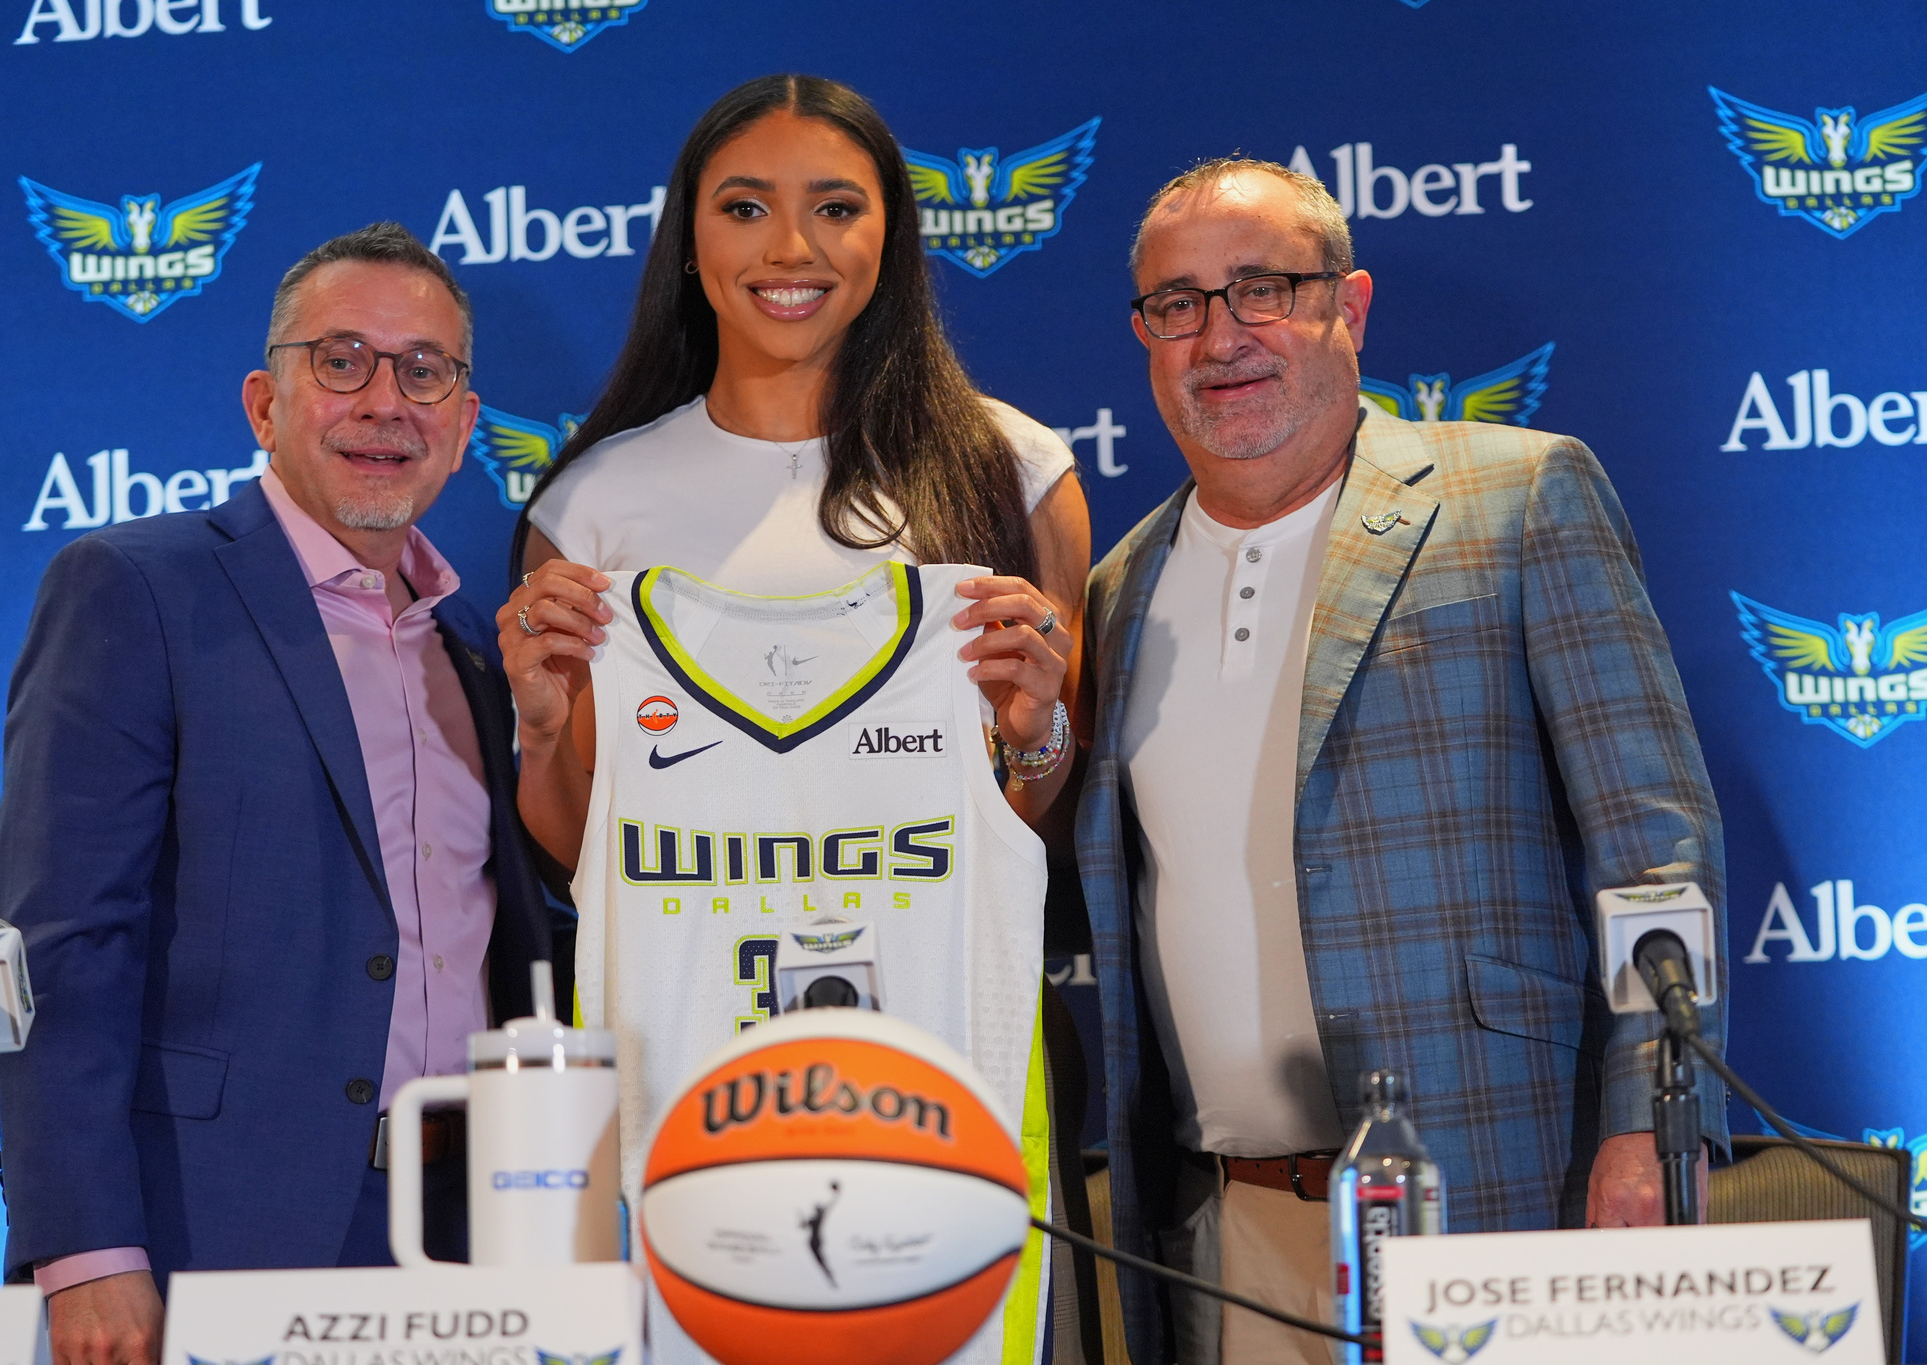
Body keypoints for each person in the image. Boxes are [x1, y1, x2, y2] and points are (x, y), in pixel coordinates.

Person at [1074, 159, 1727, 1365]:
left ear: (1350, 305)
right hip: (1228, 1232)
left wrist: (1646, 1131)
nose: (1220, 337)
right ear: (1145, 336)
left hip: (1497, 1192)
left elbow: (1654, 852)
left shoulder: (1519, 497)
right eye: (1178, 304)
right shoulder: (1117, 591)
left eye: (1261, 289)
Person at [494, 74, 1090, 1365]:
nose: (789, 248)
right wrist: (540, 734)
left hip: (939, 1103)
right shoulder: (596, 504)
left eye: (835, 207)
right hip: (685, 1116)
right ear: (687, 238)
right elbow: (584, 845)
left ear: (892, 235)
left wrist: (1036, 727)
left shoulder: (1011, 470)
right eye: (744, 207)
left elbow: (1025, 809)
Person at [0, 223, 556, 1365]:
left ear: (463, 424)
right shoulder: (135, 588)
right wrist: (87, 1250)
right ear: (265, 403)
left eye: (423, 371)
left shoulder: (478, 647)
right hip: (215, 1231)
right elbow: (64, 943)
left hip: (475, 1235)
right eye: (341, 361)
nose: (384, 401)